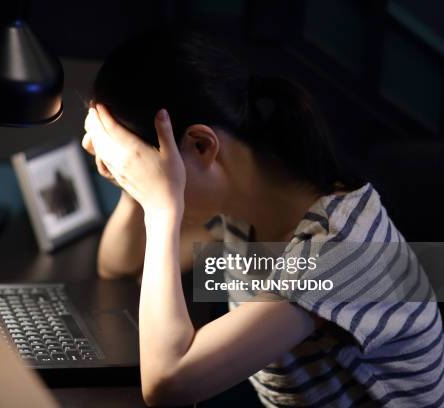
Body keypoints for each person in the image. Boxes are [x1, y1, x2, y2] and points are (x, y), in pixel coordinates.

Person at [81, 26, 444, 407]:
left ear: (202, 145)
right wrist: (133, 186)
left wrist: (160, 206)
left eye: (140, 168)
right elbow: (118, 265)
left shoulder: (338, 247)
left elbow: (167, 385)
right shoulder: (244, 209)